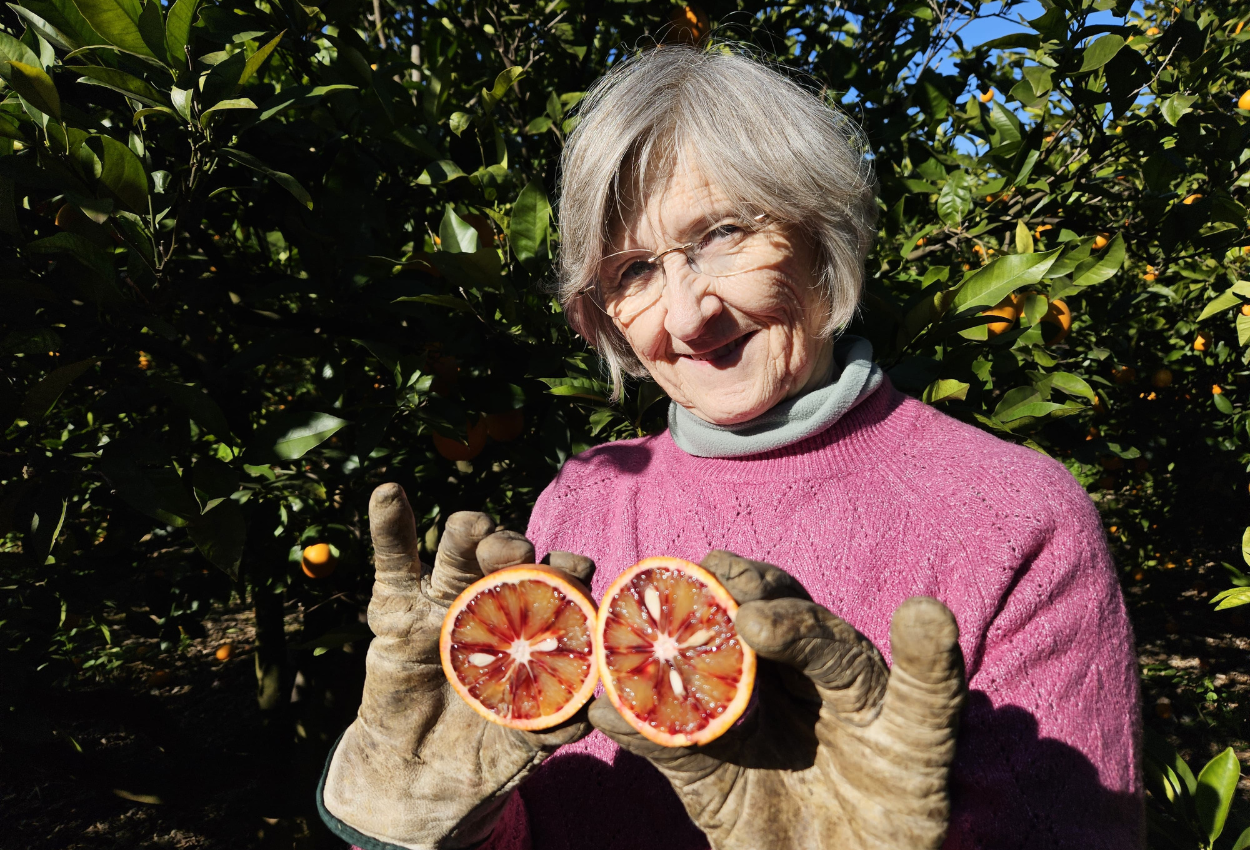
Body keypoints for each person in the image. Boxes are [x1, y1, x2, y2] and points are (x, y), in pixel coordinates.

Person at [316, 45, 1141, 850]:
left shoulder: (1016, 518)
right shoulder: (586, 499)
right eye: (633, 271)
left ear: (821, 232)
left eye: (721, 234)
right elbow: (556, 821)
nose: (686, 315)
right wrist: (444, 818)